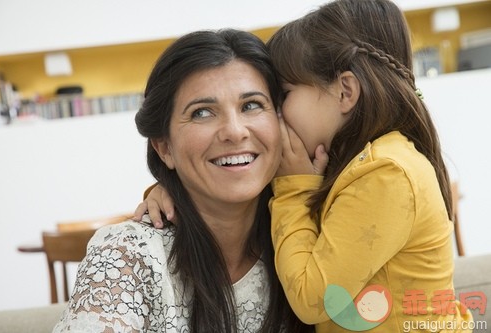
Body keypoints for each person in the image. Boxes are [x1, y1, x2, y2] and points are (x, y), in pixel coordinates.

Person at [135, 0, 474, 332]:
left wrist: (293, 188)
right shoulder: (352, 164)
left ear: (345, 92)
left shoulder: (386, 173)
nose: (279, 114)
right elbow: (241, 193)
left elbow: (314, 300)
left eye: (284, 93)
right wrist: (172, 187)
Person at [53, 29, 313, 332]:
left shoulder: (311, 239)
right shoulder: (127, 257)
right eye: (202, 112)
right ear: (164, 147)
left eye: (251, 105)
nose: (235, 131)